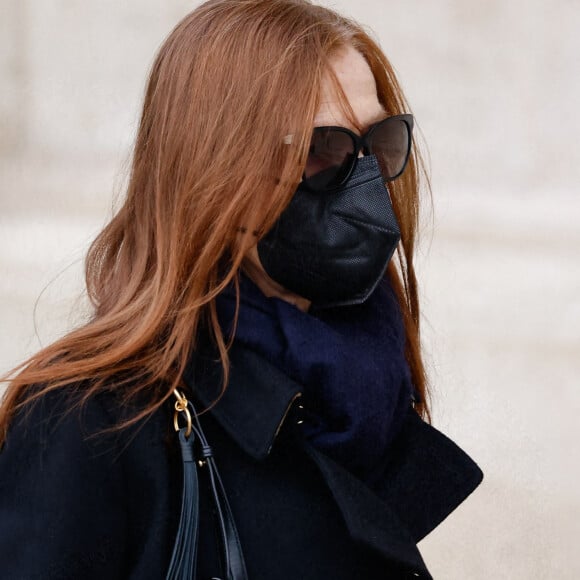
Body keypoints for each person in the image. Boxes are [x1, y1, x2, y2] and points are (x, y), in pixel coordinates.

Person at [0, 1, 483, 578]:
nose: (362, 183)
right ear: (215, 165)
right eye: (320, 150)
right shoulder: (90, 424)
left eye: (378, 143)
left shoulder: (367, 395)